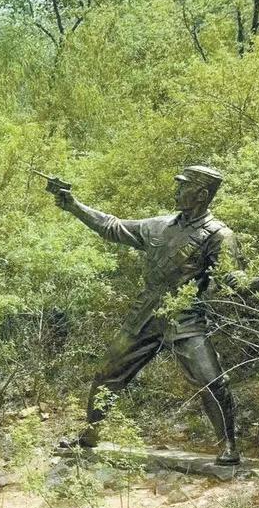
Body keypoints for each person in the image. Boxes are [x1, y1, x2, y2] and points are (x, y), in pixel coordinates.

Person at [53, 165, 243, 465]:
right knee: (107, 373)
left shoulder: (220, 236)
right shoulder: (159, 226)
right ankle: (90, 434)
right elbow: (112, 226)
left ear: (202, 194)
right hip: (144, 315)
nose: (176, 191)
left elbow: (234, 282)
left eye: (183, 186)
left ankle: (228, 446)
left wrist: (252, 280)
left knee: (212, 381)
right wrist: (74, 206)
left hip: (186, 319)